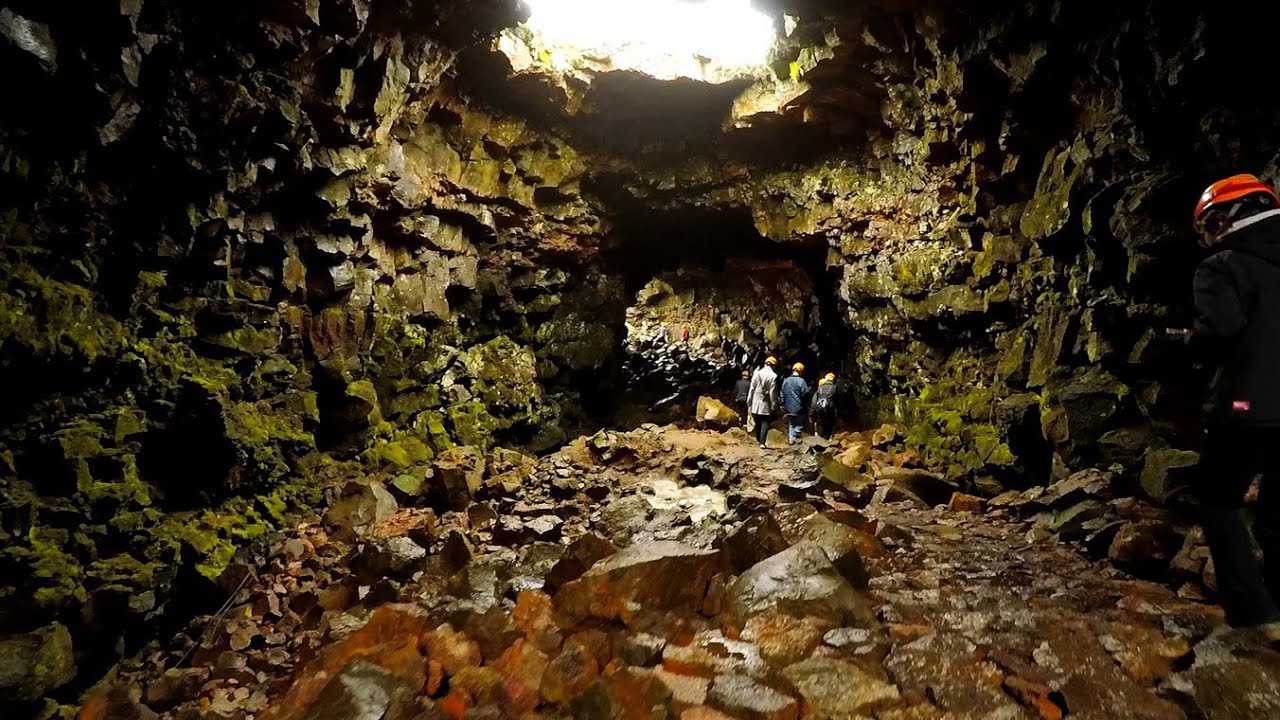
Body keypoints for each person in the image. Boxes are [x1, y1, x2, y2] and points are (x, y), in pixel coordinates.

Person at [1187, 173, 1280, 635]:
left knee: (1217, 499)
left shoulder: (1223, 266)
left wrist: (1190, 345)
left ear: (1227, 217)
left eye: (1209, 226)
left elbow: (1220, 332)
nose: (1209, 238)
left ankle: (1254, 614)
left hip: (1249, 405)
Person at [746, 356, 780, 447]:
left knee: (757, 421)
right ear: (773, 365)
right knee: (765, 421)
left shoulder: (757, 373)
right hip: (766, 401)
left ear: (765, 364)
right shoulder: (773, 376)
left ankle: (758, 439)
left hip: (755, 401)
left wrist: (749, 400)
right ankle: (762, 442)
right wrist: (773, 404)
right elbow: (772, 392)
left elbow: (752, 388)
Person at [780, 363, 810, 445]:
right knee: (799, 425)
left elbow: (782, 393)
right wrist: (806, 403)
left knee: (791, 424)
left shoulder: (786, 380)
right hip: (799, 407)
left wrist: (782, 404)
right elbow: (805, 393)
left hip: (787, 407)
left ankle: (791, 439)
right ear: (801, 371)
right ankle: (794, 437)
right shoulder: (801, 381)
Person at [811, 372, 838, 439]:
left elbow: (814, 400)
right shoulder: (834, 387)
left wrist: (812, 411)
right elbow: (837, 399)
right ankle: (828, 437)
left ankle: (821, 436)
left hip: (820, 407)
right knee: (830, 422)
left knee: (821, 421)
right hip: (830, 407)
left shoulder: (820, 388)